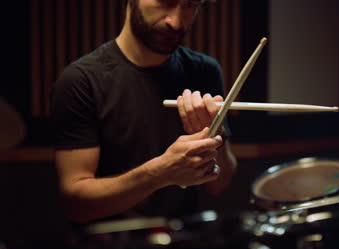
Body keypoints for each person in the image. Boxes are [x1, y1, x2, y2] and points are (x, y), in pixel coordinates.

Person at [50, 0, 237, 223]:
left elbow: (219, 184)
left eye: (190, 5)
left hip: (183, 241)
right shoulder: (81, 81)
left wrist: (215, 139)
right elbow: (76, 204)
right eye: (165, 2)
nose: (176, 22)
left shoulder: (204, 71)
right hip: (110, 245)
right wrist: (160, 173)